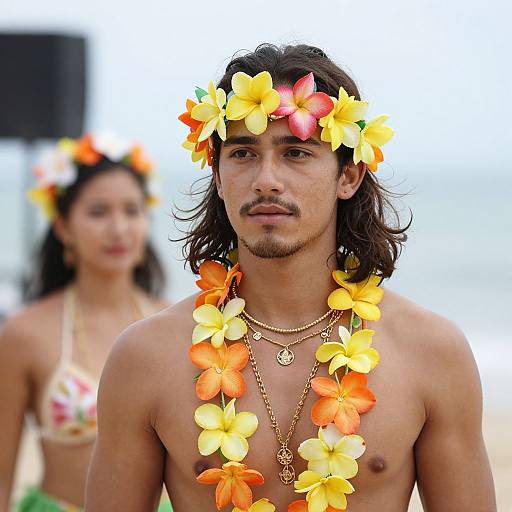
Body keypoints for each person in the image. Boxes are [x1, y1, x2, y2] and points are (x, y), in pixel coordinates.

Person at [85, 45, 496, 512]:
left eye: (296, 152)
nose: (266, 179)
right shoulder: (144, 358)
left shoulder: (432, 353)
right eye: (242, 153)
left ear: (349, 176)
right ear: (218, 177)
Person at [0, 132, 171, 511]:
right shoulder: (24, 333)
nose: (119, 229)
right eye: (98, 212)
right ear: (63, 228)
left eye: (132, 210)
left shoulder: (174, 324)